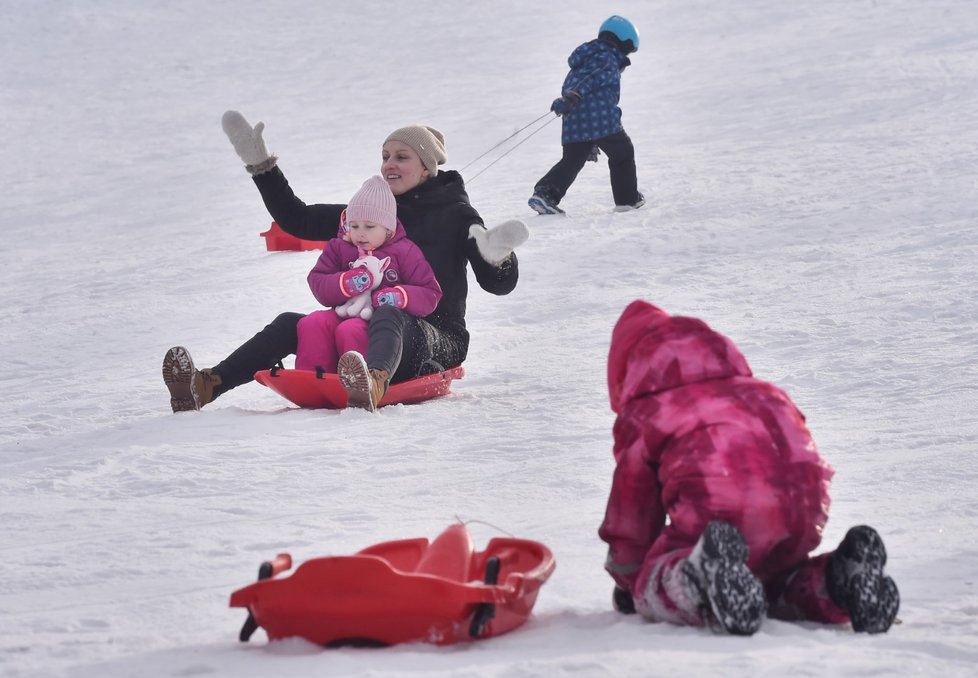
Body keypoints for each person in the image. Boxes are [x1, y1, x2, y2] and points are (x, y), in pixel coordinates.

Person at [163, 113, 528, 413]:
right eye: (385, 156)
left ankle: (373, 379)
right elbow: (299, 220)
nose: (389, 165)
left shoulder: (457, 216)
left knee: (391, 314)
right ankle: (206, 385)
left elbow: (498, 284)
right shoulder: (374, 217)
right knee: (295, 323)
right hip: (371, 330)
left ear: (427, 166)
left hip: (437, 340)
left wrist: (497, 258)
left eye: (401, 156)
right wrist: (261, 167)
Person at [598, 300, 900, 635]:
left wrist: (632, 580)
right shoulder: (760, 390)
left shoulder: (646, 411)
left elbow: (632, 517)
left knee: (654, 583)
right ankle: (841, 581)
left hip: (723, 507)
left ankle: (702, 577)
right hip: (802, 507)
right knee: (770, 581)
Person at [294, 175, 442, 380]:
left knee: (351, 330)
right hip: (343, 311)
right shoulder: (340, 247)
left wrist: (400, 296)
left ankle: (360, 383)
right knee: (313, 322)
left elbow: (430, 292)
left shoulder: (405, 251)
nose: (360, 234)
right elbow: (318, 280)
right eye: (354, 226)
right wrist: (344, 284)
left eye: (369, 227)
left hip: (379, 325)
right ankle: (312, 377)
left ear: (388, 229)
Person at [528, 15, 644, 216]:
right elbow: (591, 78)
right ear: (622, 42)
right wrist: (574, 95)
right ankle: (627, 199)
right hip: (601, 118)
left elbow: (580, 80)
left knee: (573, 159)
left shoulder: (586, 58)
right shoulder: (606, 57)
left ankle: (546, 194)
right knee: (623, 152)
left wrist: (572, 103)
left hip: (574, 119)